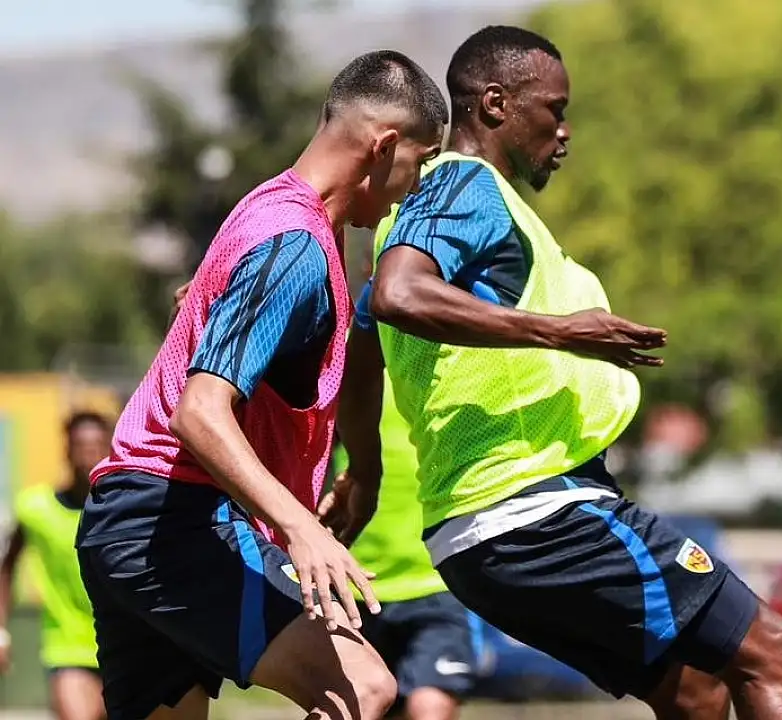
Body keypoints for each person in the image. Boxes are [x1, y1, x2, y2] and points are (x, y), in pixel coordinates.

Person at [327, 25, 782, 720]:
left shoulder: (426, 212)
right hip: (536, 510)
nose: (564, 132)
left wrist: (366, 474)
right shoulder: (463, 185)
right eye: (554, 110)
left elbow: (362, 347)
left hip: (482, 535)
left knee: (696, 693)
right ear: (495, 104)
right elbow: (396, 296)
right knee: (771, 646)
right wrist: (562, 330)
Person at [75, 50, 448, 720]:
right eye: (420, 164)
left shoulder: (268, 212)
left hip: (127, 521)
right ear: (384, 146)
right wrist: (301, 528)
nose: (413, 188)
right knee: (363, 688)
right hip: (180, 515)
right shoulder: (294, 244)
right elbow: (199, 411)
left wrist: (356, 473)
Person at [325, 381, 486, 720]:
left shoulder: (446, 376)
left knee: (429, 706)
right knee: (360, 704)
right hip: (355, 583)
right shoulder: (345, 374)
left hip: (436, 581)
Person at [0, 412, 112, 720]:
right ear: (66, 450)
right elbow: (7, 567)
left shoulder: (124, 511)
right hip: (67, 646)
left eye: (96, 446)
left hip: (123, 644)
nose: (88, 455)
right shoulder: (36, 509)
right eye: (80, 446)